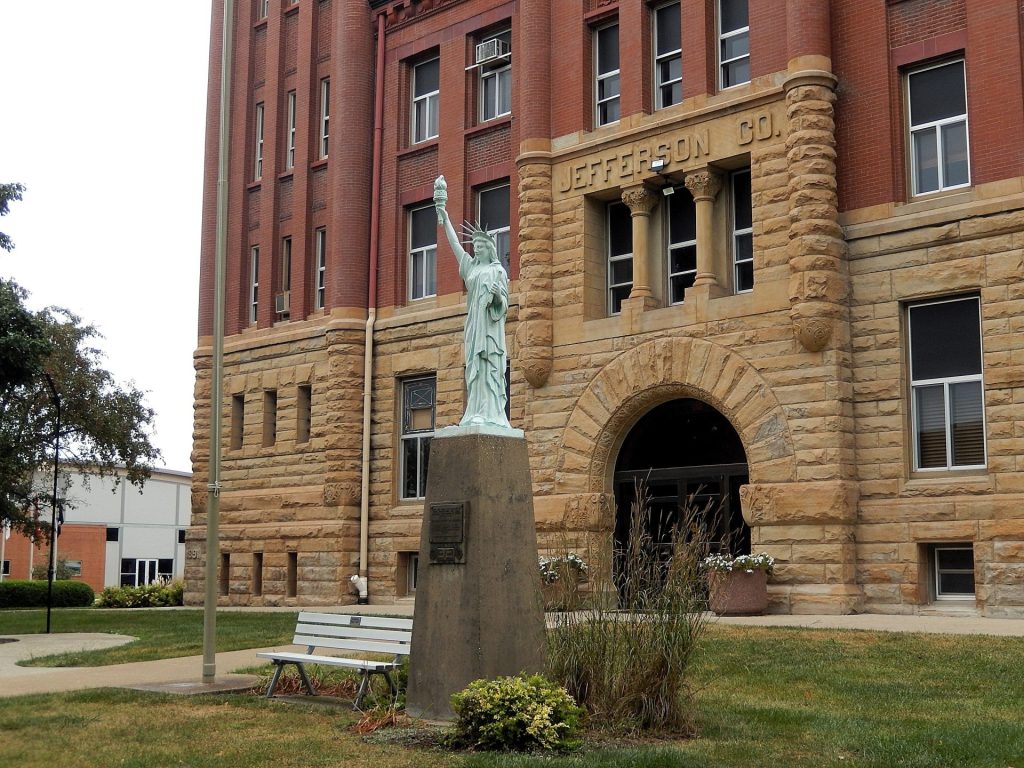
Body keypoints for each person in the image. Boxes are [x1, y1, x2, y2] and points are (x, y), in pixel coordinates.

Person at [433, 175, 512, 430]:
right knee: (474, 369)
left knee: (489, 366)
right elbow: (455, 245)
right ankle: (475, 411)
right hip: (474, 326)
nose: (477, 249)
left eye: (481, 245)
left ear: (490, 248)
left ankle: (492, 414)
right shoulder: (470, 268)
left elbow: (504, 302)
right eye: (475, 245)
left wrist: (495, 297)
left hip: (490, 330)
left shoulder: (498, 271)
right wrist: (443, 215)